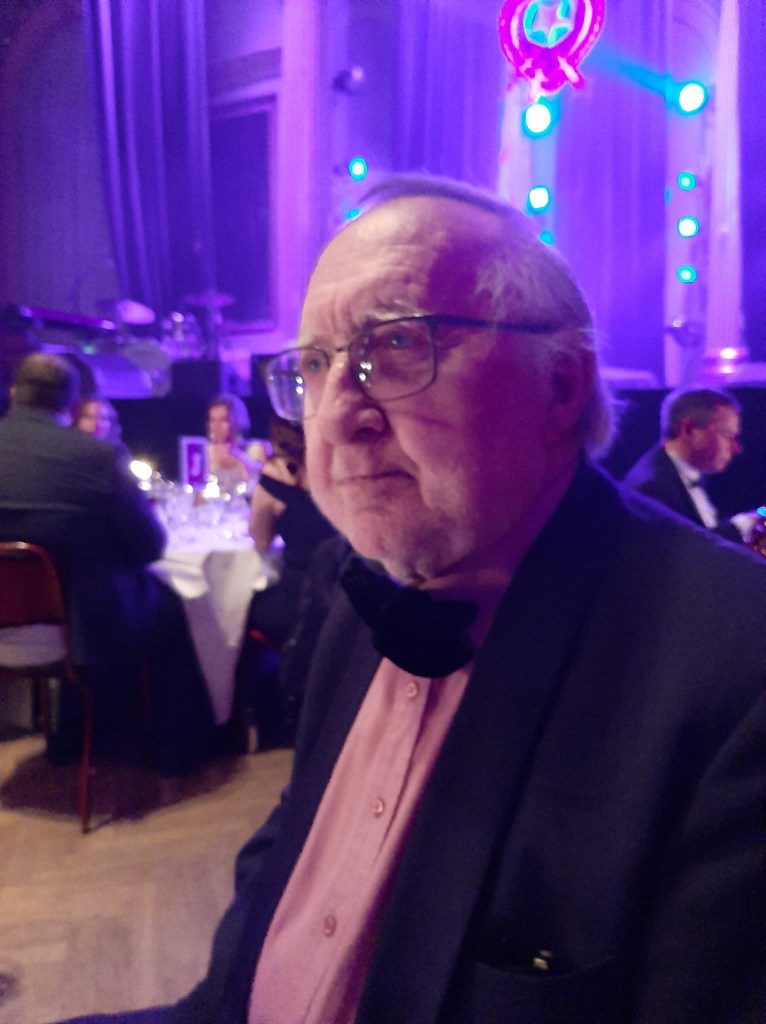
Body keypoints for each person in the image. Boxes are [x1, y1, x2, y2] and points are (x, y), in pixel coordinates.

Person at [53, 175, 764, 1023]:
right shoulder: (350, 582)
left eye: (395, 345)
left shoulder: (735, 670)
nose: (334, 416)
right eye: (313, 365)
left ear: (561, 383)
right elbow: (287, 860)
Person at [0, 353, 215, 777]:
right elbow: (151, 546)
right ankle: (174, 755)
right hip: (84, 632)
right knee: (174, 606)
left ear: (13, 393)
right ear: (71, 404)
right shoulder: (95, 457)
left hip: (8, 623)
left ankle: (71, 738)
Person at [241, 415, 336, 747]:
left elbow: (261, 539)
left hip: (300, 601)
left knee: (243, 611)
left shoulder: (274, 476)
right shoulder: (341, 464)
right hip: (346, 598)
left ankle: (263, 724)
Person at [622, 386, 762, 544]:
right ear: (688, 429)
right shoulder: (654, 488)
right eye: (727, 435)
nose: (736, 448)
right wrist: (743, 525)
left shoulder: (679, 472)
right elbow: (687, 552)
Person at [206, 393, 259, 493]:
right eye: (212, 420)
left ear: (237, 421)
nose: (216, 426)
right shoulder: (203, 453)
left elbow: (254, 490)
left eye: (223, 420)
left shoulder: (253, 450)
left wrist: (240, 458)